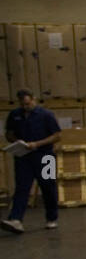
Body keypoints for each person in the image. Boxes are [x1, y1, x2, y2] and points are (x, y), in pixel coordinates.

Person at [3, 88, 62, 233]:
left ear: (33, 99)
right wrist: (17, 142)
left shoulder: (46, 115)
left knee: (48, 187)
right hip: (24, 156)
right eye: (22, 105)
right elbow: (9, 133)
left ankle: (51, 218)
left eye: (28, 104)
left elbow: (56, 136)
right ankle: (15, 219)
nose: (25, 107)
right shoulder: (15, 115)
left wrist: (37, 144)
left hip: (46, 155)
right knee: (22, 188)